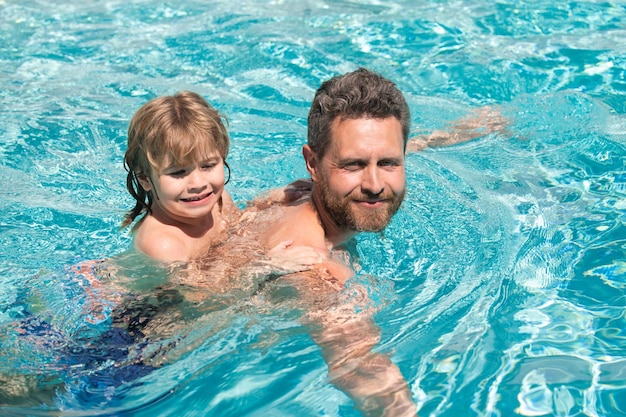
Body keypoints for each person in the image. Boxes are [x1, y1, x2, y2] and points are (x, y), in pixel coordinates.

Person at [224, 68, 507, 417]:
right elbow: (360, 364)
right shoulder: (314, 265)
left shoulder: (296, 194)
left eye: (388, 162)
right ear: (313, 163)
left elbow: (374, 152)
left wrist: (452, 135)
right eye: (354, 165)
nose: (374, 183)